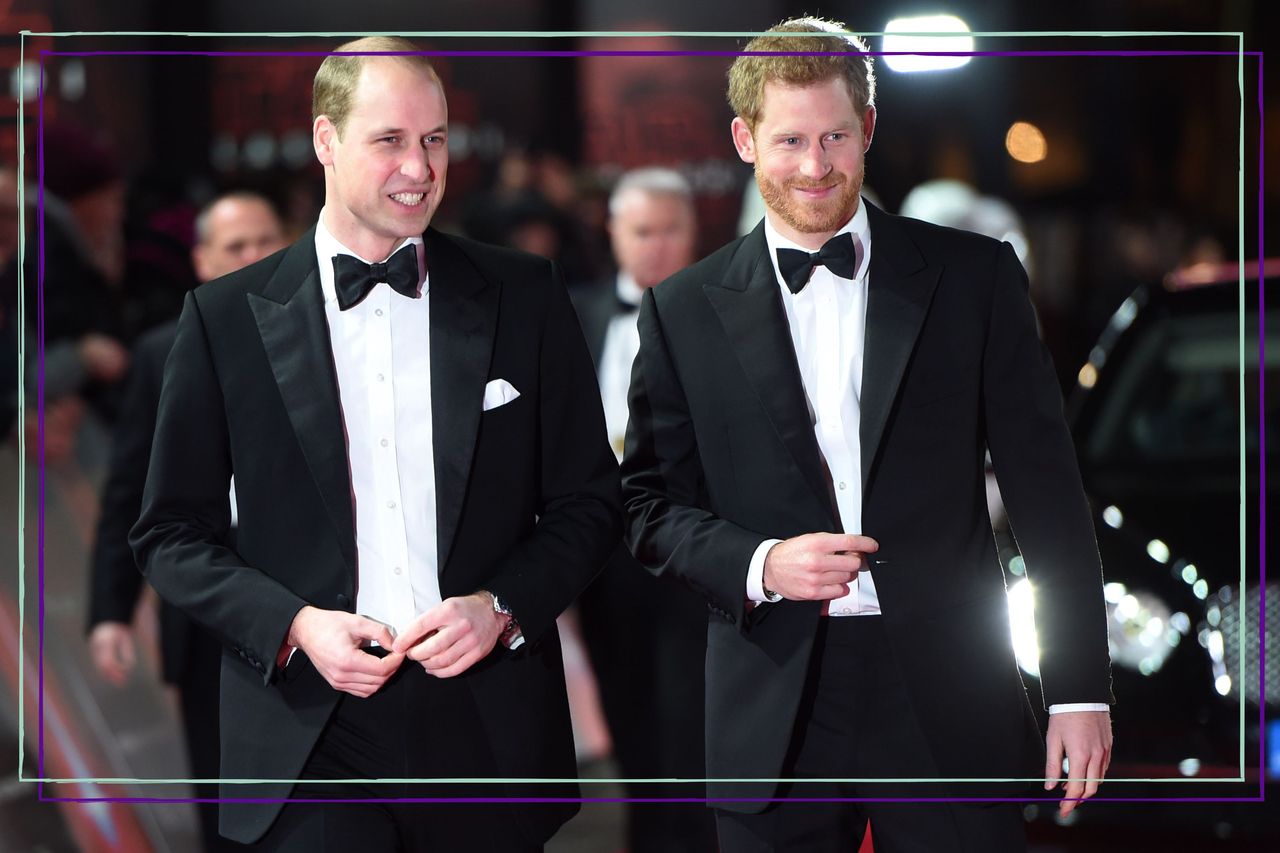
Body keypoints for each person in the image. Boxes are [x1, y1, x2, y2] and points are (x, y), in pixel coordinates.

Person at [621, 18, 1114, 853]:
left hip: (950, 694)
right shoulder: (682, 309)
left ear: (869, 129)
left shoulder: (974, 277)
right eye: (790, 140)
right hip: (772, 702)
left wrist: (1078, 690)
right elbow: (645, 507)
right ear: (744, 140)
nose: (815, 167)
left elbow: (1047, 488)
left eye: (835, 137)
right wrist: (759, 563)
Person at [130, 37, 620, 851]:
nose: (420, 168)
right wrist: (293, 625)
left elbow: (589, 503)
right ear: (326, 140)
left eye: (434, 140)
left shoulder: (523, 293)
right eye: (389, 140)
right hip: (310, 732)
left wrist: (500, 609)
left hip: (485, 723)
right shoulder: (224, 318)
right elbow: (170, 532)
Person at [87, 190, 288, 852]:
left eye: (266, 240)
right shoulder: (157, 351)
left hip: (316, 596)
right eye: (237, 245)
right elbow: (133, 490)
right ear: (201, 260)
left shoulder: (324, 334)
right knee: (227, 801)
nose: (254, 255)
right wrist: (111, 609)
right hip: (208, 615)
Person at [571, 168, 716, 852]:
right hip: (604, 559)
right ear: (613, 234)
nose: (657, 245)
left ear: (695, 230)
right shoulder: (575, 312)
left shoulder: (728, 310)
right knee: (628, 720)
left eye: (671, 229)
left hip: (700, 554)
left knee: (695, 725)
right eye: (642, 230)